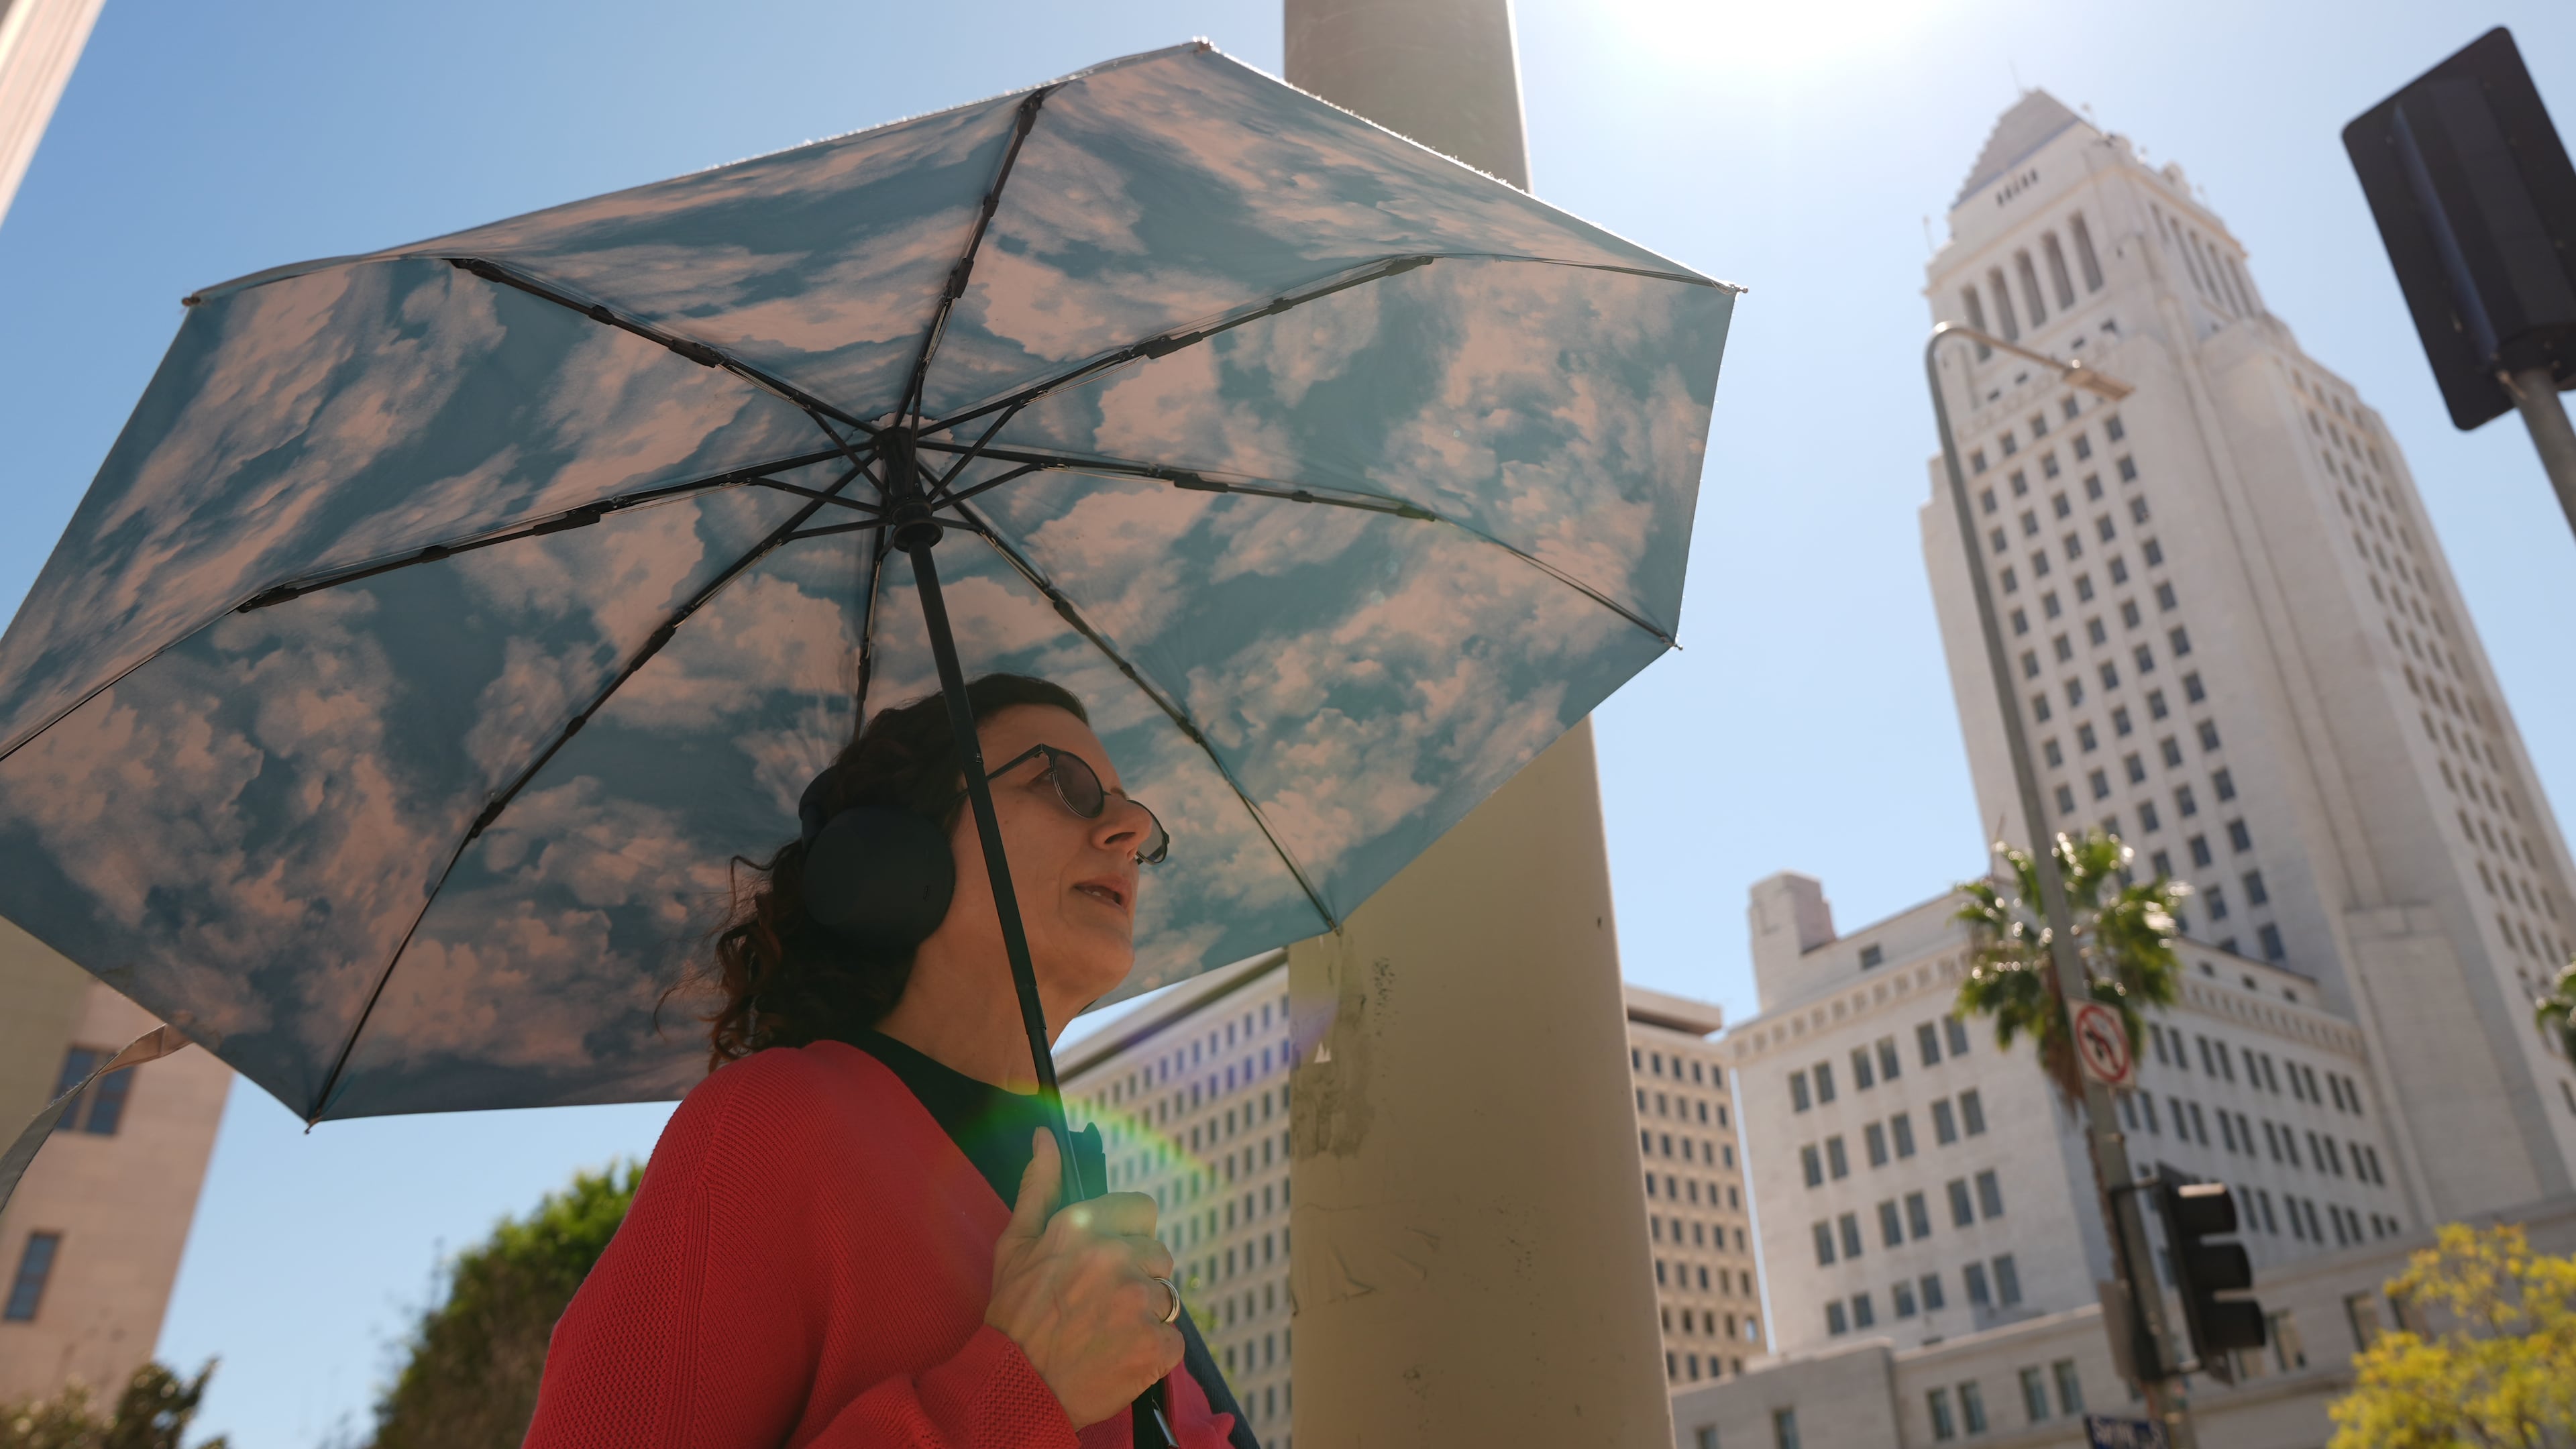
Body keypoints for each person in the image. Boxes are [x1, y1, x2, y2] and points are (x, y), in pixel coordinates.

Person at [523, 675, 1246, 1448]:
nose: (1133, 825)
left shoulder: (1091, 1211)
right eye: (1061, 781)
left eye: (1133, 812)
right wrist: (1021, 1387)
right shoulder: (771, 1126)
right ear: (898, 855)